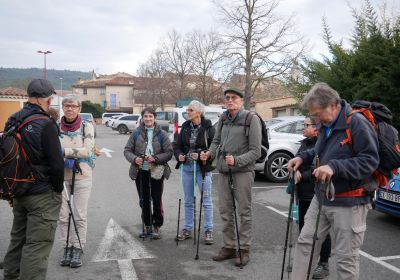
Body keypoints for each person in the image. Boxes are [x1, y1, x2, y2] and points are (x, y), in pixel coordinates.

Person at [288, 83, 379, 280]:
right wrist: (303, 157)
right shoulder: (325, 124)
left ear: (333, 105)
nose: (316, 120)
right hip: (321, 197)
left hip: (349, 202)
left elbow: (370, 161)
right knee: (305, 244)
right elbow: (321, 150)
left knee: (345, 259)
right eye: (314, 116)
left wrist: (335, 167)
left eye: (318, 114)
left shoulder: (356, 123)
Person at [3, 79, 64, 280]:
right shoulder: (46, 124)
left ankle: (11, 276)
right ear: (47, 99)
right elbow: (56, 164)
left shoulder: (13, 120)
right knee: (37, 247)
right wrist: (56, 191)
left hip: (18, 191)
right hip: (42, 194)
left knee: (18, 240)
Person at [202, 88, 261, 267]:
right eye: (227, 98)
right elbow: (216, 141)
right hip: (223, 171)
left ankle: (244, 249)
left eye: (234, 98)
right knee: (225, 211)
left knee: (244, 211)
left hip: (243, 172)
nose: (230, 100)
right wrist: (209, 153)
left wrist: (237, 160)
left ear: (242, 101)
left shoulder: (252, 119)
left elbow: (256, 151)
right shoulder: (223, 118)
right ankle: (229, 246)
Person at [58, 94, 95, 268]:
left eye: (73, 106)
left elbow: (87, 151)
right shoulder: (56, 126)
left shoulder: (86, 127)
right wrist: (73, 151)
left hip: (82, 175)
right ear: (63, 108)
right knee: (63, 216)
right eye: (66, 106)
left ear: (79, 109)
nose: (70, 109)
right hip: (61, 176)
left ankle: (78, 247)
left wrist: (64, 152)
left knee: (79, 215)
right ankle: (67, 246)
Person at [124, 107, 173, 239]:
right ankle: (147, 225)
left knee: (156, 199)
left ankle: (157, 225)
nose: (148, 119)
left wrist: (156, 158)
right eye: (145, 116)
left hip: (157, 170)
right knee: (144, 199)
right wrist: (135, 159)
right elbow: (127, 150)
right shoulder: (136, 133)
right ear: (142, 118)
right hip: (140, 171)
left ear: (154, 118)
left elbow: (169, 152)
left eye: (150, 116)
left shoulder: (162, 134)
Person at [173, 100, 216, 244]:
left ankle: (209, 230)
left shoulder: (208, 127)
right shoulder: (185, 126)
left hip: (202, 169)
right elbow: (177, 145)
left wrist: (202, 154)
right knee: (188, 200)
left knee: (207, 200)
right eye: (188, 110)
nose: (188, 112)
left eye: (190, 110)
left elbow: (214, 149)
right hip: (187, 168)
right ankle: (187, 228)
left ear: (199, 112)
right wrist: (179, 155)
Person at [295, 117, 331, 279]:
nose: (303, 128)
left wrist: (302, 174)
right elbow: (299, 159)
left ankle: (323, 263)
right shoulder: (304, 143)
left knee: (320, 231)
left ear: (316, 128)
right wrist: (295, 170)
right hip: (302, 193)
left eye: (306, 125)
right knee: (303, 227)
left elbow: (316, 168)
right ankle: (304, 261)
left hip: (314, 193)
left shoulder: (321, 144)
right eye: (303, 125)